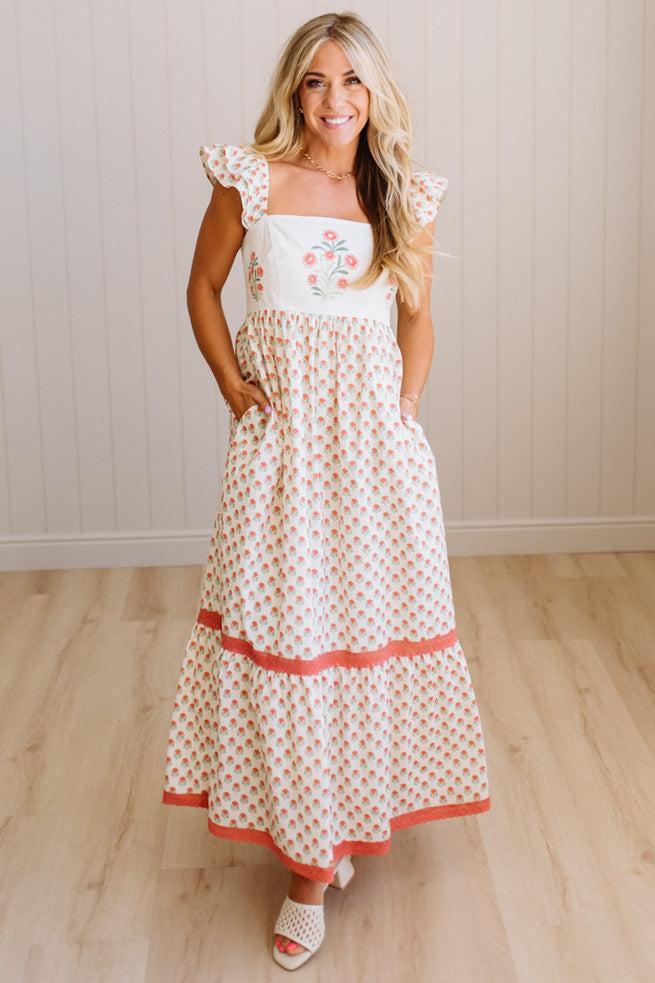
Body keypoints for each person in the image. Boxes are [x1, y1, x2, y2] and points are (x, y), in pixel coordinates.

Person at [162, 10, 491, 971]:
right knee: (290, 638)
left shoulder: (401, 194)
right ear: (292, 91)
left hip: (375, 454)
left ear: (375, 92)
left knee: (362, 633)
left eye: (351, 80)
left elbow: (416, 318)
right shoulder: (250, 180)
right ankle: (310, 858)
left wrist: (405, 406)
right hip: (282, 452)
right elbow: (201, 286)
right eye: (314, 79)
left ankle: (334, 830)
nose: (333, 99)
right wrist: (234, 387)